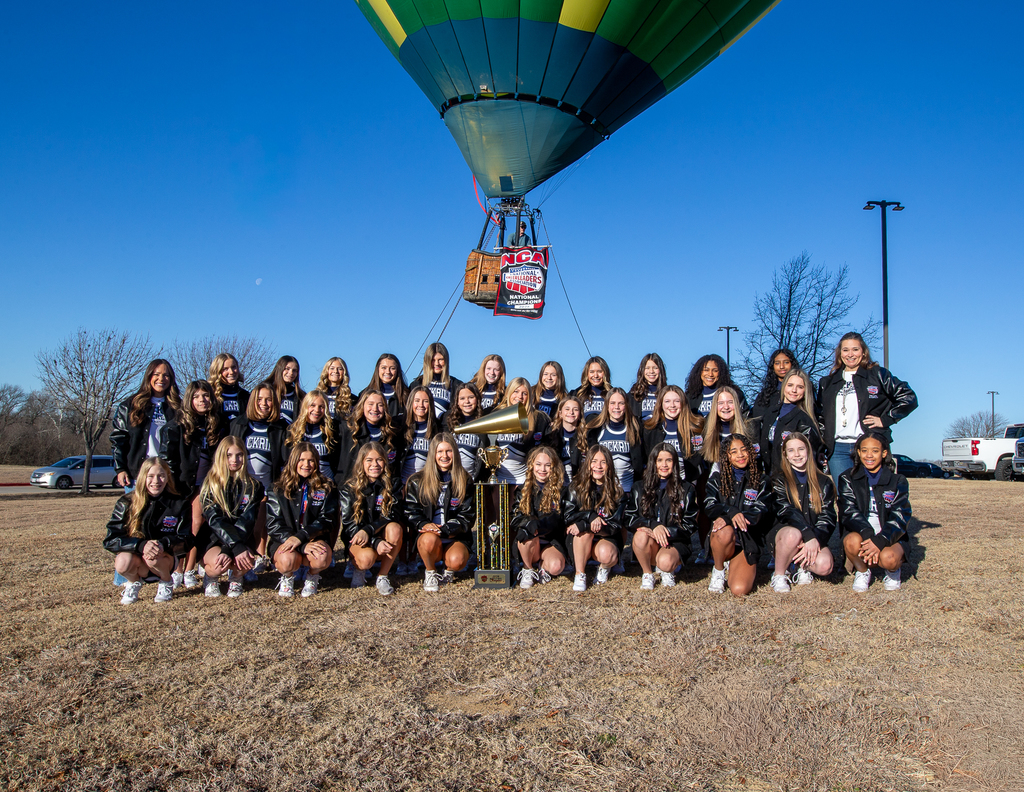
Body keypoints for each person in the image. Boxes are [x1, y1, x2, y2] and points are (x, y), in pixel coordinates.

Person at [816, 332, 918, 485]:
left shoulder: (877, 375)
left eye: (855, 349)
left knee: (872, 494)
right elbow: (820, 417)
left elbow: (909, 397)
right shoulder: (827, 382)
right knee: (846, 498)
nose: (850, 354)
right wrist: (821, 447)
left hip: (869, 446)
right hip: (838, 450)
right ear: (839, 353)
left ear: (863, 352)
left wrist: (885, 419)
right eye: (845, 350)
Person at [103, 457, 190, 604]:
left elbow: (187, 539)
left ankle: (166, 582)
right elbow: (111, 540)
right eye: (151, 476)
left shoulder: (179, 504)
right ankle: (133, 582)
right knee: (123, 561)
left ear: (168, 477)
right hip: (137, 558)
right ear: (142, 477)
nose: (156, 481)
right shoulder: (126, 503)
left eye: (161, 476)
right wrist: (140, 545)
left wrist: (163, 544)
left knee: (153, 556)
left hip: (163, 559)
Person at [838, 432, 912, 592]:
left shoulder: (898, 480)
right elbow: (848, 511)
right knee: (851, 542)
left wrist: (880, 540)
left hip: (887, 536)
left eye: (875, 451)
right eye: (864, 450)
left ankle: (893, 571)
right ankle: (862, 571)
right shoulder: (847, 478)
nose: (869, 455)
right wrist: (867, 533)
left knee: (889, 559)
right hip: (863, 534)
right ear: (858, 452)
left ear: (884, 453)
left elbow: (900, 515)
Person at [403, 433, 476, 593]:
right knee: (428, 541)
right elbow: (411, 511)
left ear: (455, 453)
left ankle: (448, 571)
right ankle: (430, 572)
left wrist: (445, 530)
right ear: (433, 454)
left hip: (454, 535)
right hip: (429, 535)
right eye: (440, 451)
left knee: (457, 561)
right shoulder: (417, 480)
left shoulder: (465, 480)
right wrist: (424, 524)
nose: (444, 456)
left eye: (448, 451)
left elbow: (467, 516)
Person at [168, 379, 222, 589]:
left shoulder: (216, 424)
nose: (202, 400)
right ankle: (177, 568)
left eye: (206, 396)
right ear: (189, 399)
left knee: (196, 524)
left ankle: (188, 569)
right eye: (197, 396)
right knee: (182, 526)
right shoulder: (175, 427)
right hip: (181, 486)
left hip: (206, 486)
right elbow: (169, 460)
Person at [228, 382, 287, 574]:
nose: (264, 403)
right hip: (240, 485)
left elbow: (283, 458)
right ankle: (237, 557)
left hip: (266, 484)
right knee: (240, 522)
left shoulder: (280, 427)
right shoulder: (238, 424)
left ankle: (258, 557)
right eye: (260, 399)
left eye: (268, 399)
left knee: (260, 523)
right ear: (253, 401)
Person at [267, 443, 338, 598]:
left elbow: (327, 520)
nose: (306, 464)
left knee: (322, 557)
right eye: (302, 460)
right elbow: (273, 524)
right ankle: (287, 577)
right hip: (285, 540)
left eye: (311, 460)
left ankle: (312, 576)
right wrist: (300, 544)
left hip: (313, 538)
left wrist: (302, 537)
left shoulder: (326, 487)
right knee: (287, 561)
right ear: (293, 461)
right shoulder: (276, 488)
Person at [196, 437, 265, 598]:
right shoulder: (209, 484)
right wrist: (232, 547)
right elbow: (215, 520)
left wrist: (232, 548)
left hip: (242, 536)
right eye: (229, 455)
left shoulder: (254, 486)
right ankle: (211, 578)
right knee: (218, 565)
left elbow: (247, 520)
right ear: (221, 457)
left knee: (245, 560)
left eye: (239, 455)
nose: (234, 460)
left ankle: (236, 578)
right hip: (214, 538)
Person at [769, 433, 837, 593]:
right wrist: (808, 535)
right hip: (785, 537)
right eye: (791, 450)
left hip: (812, 537)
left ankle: (801, 567)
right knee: (793, 535)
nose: (797, 454)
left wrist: (815, 538)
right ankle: (779, 574)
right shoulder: (778, 480)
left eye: (801, 449)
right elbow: (785, 511)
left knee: (825, 566)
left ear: (809, 450)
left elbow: (828, 516)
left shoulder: (824, 482)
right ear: (785, 454)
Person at [704, 435, 771, 596]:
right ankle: (719, 569)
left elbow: (759, 511)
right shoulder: (716, 479)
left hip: (747, 541)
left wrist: (728, 516)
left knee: (739, 590)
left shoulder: (762, 480)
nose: (740, 455)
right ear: (727, 456)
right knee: (724, 531)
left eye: (743, 450)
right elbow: (709, 505)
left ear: (751, 451)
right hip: (723, 538)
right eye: (733, 452)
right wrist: (730, 511)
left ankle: (734, 564)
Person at [627, 444, 698, 591]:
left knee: (665, 562)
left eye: (669, 460)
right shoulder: (639, 487)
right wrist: (653, 525)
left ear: (675, 463)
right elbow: (629, 518)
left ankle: (669, 567)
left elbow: (690, 525)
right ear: (653, 462)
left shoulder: (687, 489)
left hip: (674, 541)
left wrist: (665, 531)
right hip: (649, 540)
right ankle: (647, 573)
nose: (664, 465)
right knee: (640, 536)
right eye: (659, 460)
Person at [339, 442, 403, 595]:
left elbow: (393, 515)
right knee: (367, 559)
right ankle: (359, 569)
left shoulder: (394, 484)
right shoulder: (349, 487)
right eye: (369, 460)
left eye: (379, 459)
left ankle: (382, 576)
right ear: (361, 462)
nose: (375, 464)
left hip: (379, 534)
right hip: (358, 537)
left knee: (395, 528)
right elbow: (349, 525)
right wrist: (375, 541)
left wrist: (371, 531)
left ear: (385, 462)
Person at [110, 358, 182, 489]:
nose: (161, 379)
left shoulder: (179, 408)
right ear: (149, 376)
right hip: (137, 476)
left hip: (167, 475)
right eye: (157, 374)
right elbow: (118, 440)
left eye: (166, 375)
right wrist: (120, 469)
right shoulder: (129, 406)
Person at [564, 445, 627, 592]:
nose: (598, 466)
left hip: (605, 537)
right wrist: (590, 517)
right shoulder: (575, 487)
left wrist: (588, 524)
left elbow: (615, 525)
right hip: (580, 541)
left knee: (606, 553)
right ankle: (580, 574)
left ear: (609, 465)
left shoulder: (618, 492)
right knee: (583, 534)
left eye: (603, 462)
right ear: (587, 464)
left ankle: (605, 567)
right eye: (594, 461)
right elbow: (567, 516)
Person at [511, 446, 569, 588]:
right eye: (538, 464)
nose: (542, 469)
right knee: (525, 532)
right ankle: (528, 568)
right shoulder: (522, 489)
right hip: (530, 540)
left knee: (556, 567)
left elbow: (560, 519)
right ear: (531, 465)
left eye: (547, 465)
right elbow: (514, 517)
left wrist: (538, 523)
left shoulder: (561, 491)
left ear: (554, 468)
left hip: (550, 540)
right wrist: (529, 522)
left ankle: (543, 567)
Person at [757, 369, 825, 477]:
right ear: (784, 386)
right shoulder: (770, 412)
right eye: (790, 385)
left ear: (805, 391)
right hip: (770, 474)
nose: (794, 390)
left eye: (800, 387)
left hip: (791, 477)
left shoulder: (804, 419)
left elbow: (808, 454)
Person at [585, 387, 644, 497]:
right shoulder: (596, 429)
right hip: (603, 492)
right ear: (606, 405)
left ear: (626, 405)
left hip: (628, 490)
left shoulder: (635, 428)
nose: (616, 407)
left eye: (621, 403)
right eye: (612, 403)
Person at [337, 388, 404, 485]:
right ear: (362, 406)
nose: (375, 409)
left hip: (381, 491)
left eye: (380, 405)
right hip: (351, 488)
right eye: (370, 404)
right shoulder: (347, 430)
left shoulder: (392, 434)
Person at [492, 377, 550, 486]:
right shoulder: (496, 414)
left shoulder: (538, 418)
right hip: (498, 478)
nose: (520, 396)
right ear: (509, 393)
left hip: (522, 479)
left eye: (524, 393)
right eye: (516, 391)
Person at [641, 385, 705, 483]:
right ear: (661, 404)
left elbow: (699, 461)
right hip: (659, 485)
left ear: (683, 403)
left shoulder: (695, 428)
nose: (672, 405)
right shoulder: (650, 430)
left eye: (677, 401)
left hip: (688, 484)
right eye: (667, 401)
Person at [286, 391, 339, 480]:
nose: (317, 410)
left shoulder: (332, 431)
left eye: (321, 407)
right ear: (305, 406)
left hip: (326, 485)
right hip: (300, 485)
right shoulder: (293, 431)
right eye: (312, 405)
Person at [684, 354, 748, 419]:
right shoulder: (690, 396)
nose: (710, 374)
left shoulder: (733, 394)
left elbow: (745, 417)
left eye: (715, 370)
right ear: (699, 372)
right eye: (706, 370)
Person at [750, 348, 798, 434]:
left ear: (792, 364)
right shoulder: (765, 396)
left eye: (786, 362)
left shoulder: (801, 392)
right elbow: (756, 424)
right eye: (777, 363)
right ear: (773, 366)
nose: (782, 366)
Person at [445, 382, 487, 480]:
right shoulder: (448, 421)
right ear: (457, 402)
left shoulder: (484, 423)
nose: (467, 401)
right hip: (450, 479)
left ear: (477, 399)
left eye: (471, 397)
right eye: (462, 398)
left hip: (471, 480)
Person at [410, 342, 461, 418]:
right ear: (427, 361)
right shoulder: (416, 384)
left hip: (445, 428)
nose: (437, 363)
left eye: (440, 359)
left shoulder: (456, 384)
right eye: (433, 360)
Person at [400, 386, 439, 484]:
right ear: (411, 402)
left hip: (426, 485)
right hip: (403, 484)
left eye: (425, 401)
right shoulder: (400, 426)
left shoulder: (437, 428)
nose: (421, 405)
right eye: (417, 400)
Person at [542, 395, 585, 481]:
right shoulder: (550, 435)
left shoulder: (586, 436)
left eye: (575, 409)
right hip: (555, 483)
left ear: (580, 414)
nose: (571, 412)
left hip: (577, 484)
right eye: (567, 409)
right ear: (560, 413)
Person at [360, 353, 409, 420]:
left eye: (392, 368)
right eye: (384, 368)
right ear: (378, 369)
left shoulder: (406, 395)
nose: (388, 372)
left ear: (397, 370)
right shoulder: (364, 394)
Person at [627, 353, 668, 422]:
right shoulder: (633, 395)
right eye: (647, 368)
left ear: (660, 370)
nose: (651, 371)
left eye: (655, 368)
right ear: (642, 370)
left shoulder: (667, 393)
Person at [209, 352, 249, 422]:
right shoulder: (210, 396)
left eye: (234, 367)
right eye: (225, 369)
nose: (231, 372)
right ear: (217, 371)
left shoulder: (246, 396)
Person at [574, 356, 612, 422]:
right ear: (586, 374)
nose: (596, 375)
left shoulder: (612, 393)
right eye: (592, 372)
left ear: (605, 373)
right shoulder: (577, 393)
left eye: (599, 371)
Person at [269, 355, 304, 425]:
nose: (291, 373)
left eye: (294, 370)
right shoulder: (267, 391)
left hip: (289, 434)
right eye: (287, 369)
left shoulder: (300, 396)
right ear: (280, 369)